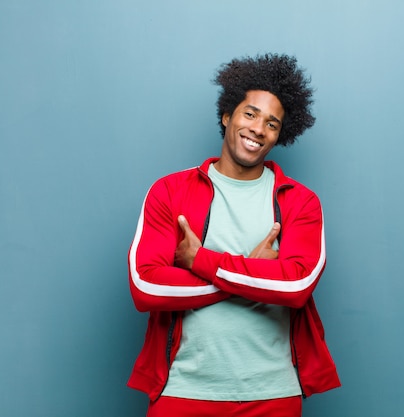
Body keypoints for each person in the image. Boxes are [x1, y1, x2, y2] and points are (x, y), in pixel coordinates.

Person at [127, 53, 340, 417]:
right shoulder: (170, 191)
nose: (259, 128)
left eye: (272, 123)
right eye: (250, 114)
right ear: (228, 115)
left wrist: (200, 261)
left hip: (271, 392)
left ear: (280, 135)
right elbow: (147, 286)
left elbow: (296, 285)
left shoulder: (300, 202)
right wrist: (251, 274)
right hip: (183, 389)